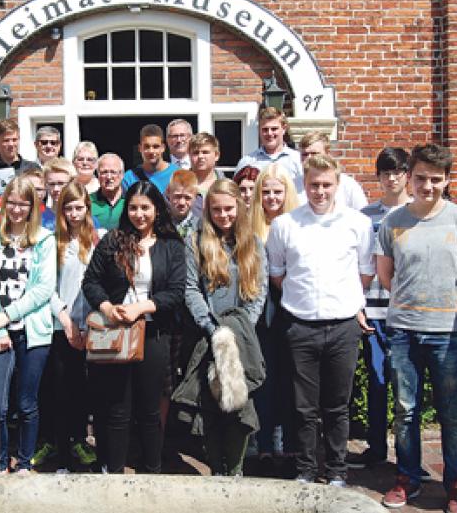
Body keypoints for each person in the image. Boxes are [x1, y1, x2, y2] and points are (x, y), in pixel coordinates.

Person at [377, 144, 457, 513]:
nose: (427, 185)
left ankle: (455, 485)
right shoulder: (393, 222)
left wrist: (450, 297)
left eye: (436, 179)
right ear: (410, 177)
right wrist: (411, 300)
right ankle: (408, 478)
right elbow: (386, 275)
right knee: (405, 409)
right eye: (420, 177)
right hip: (403, 330)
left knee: (451, 412)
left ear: (447, 180)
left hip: (448, 331)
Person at [265, 154, 374, 487]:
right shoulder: (285, 225)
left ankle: (337, 469)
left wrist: (342, 301)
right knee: (303, 407)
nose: (320, 191)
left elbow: (365, 274)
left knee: (337, 405)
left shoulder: (358, 223)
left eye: (327, 185)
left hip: (343, 326)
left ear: (337, 185)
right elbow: (278, 274)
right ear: (305, 185)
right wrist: (305, 301)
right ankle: (307, 468)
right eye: (314, 185)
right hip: (300, 325)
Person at [82, 181, 187, 474]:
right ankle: (114, 471)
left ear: (157, 210)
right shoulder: (113, 241)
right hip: (115, 333)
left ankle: (151, 470)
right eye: (133, 208)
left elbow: (176, 292)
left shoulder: (171, 245)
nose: (139, 214)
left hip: (153, 333)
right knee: (117, 408)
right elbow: (90, 282)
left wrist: (141, 307)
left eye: (145, 208)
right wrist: (106, 307)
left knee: (150, 408)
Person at [181, 179, 267, 476]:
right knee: (211, 406)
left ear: (239, 207)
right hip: (207, 334)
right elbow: (191, 289)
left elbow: (258, 291)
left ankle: (236, 469)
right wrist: (211, 327)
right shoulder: (194, 240)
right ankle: (215, 468)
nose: (223, 215)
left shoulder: (253, 242)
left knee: (239, 407)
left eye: (229, 208)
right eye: (216, 209)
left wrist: (239, 330)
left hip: (242, 336)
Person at [0, 176, 56, 474]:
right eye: (12, 202)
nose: (17, 209)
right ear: (3, 202)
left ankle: (23, 462)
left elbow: (44, 289)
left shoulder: (44, 240)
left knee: (26, 404)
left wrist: (8, 316)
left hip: (32, 332)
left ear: (33, 206)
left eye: (24, 203)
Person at [348, 148, 411, 470]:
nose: (392, 178)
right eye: (386, 173)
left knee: (406, 388)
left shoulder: (417, 213)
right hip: (372, 312)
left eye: (398, 172)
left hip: (408, 315)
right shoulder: (365, 215)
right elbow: (356, 264)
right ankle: (376, 447)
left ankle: (407, 456)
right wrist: (358, 306)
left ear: (407, 175)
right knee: (376, 382)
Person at [34, 180, 103, 472]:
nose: (74, 213)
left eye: (79, 207)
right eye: (69, 208)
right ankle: (61, 454)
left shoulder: (98, 240)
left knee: (87, 393)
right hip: (62, 328)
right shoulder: (52, 242)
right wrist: (65, 319)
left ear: (87, 208)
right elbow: (45, 286)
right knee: (61, 393)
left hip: (93, 328)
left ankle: (81, 444)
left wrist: (90, 324)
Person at [250, 163, 301, 474]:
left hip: (294, 313)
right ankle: (265, 445)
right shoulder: (251, 227)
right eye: (265, 191)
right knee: (264, 383)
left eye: (277, 191)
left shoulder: (299, 224)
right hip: (262, 318)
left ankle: (292, 448)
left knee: (292, 383)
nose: (271, 197)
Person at [235, 107, 304, 194]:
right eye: (265, 129)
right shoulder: (247, 162)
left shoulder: (298, 159)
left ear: (284, 129)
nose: (269, 133)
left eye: (274, 129)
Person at [297, 131, 367, 211]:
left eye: (314, 153)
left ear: (327, 153)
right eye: (305, 154)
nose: (308, 158)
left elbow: (362, 214)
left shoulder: (348, 185)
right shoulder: (293, 185)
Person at [0, 119, 41, 196]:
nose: (11, 144)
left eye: (14, 140)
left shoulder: (32, 169)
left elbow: (41, 198)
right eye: (6, 140)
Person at [122, 124, 179, 193]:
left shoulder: (177, 174)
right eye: (147, 146)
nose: (151, 151)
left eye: (156, 146)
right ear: (140, 148)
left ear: (163, 148)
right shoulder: (129, 178)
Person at [90, 153, 125, 230]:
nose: (109, 177)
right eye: (104, 172)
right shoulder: (87, 201)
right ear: (98, 175)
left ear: (122, 175)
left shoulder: (131, 200)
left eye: (113, 172)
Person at [41, 157, 77, 229]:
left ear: (72, 183)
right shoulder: (39, 219)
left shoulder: (84, 218)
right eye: (51, 184)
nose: (56, 189)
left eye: (61, 183)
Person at [167, 169, 199, 238]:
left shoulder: (201, 227)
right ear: (168, 193)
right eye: (177, 196)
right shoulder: (160, 225)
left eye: (187, 198)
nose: (182, 202)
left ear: (195, 197)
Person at [189, 132, 222, 197]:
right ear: (189, 156)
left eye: (205, 152)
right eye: (196, 153)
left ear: (216, 155)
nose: (200, 156)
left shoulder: (227, 186)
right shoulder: (179, 184)